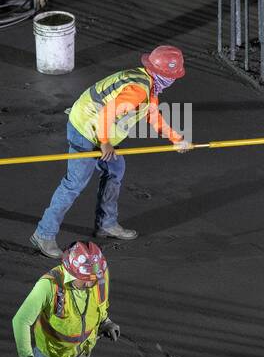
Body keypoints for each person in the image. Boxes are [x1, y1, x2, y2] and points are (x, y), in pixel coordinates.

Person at [30, 45, 192, 259]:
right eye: (171, 76)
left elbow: (152, 116)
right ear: (162, 74)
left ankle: (106, 224)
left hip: (101, 132)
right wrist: (105, 143)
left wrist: (176, 139)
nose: (173, 80)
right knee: (74, 183)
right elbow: (106, 114)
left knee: (115, 169)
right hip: (86, 130)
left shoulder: (148, 84)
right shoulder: (138, 89)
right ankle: (44, 233)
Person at [11, 241, 119, 357]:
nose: (90, 285)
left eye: (93, 280)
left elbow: (100, 304)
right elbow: (20, 321)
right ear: (71, 271)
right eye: (85, 281)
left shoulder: (98, 276)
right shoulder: (49, 285)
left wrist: (105, 322)